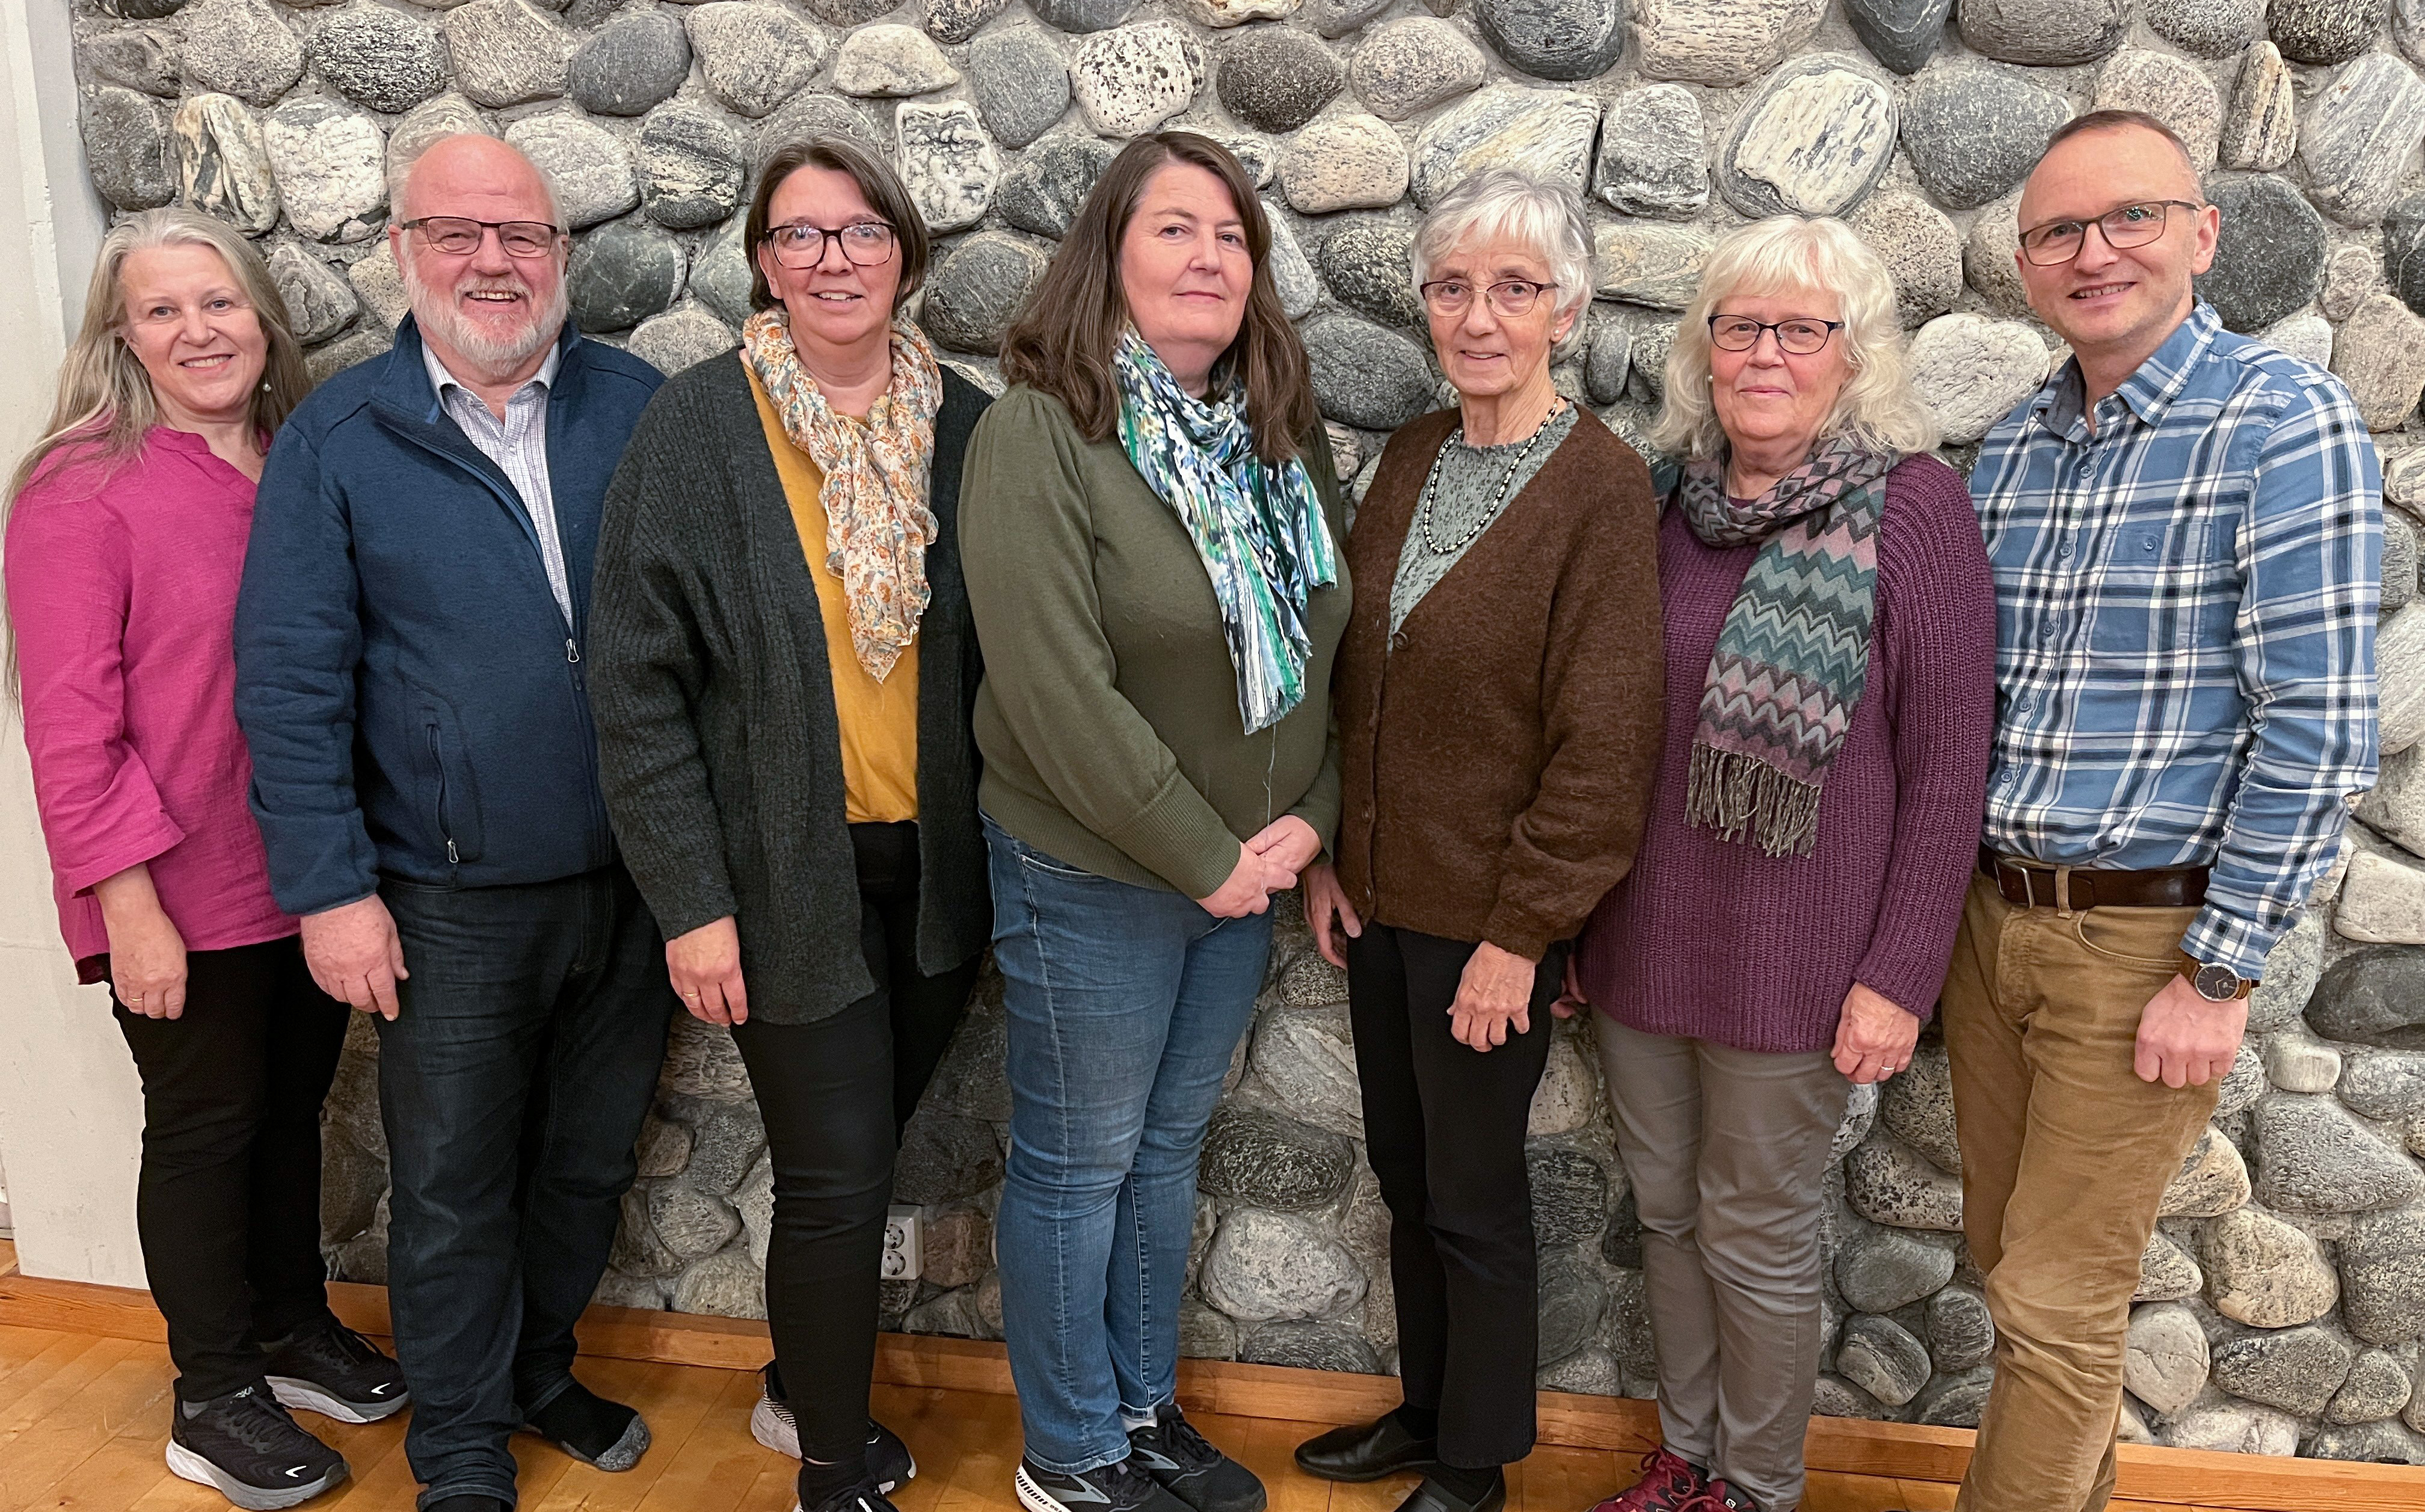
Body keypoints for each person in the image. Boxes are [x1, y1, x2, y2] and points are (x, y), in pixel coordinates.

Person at [1944, 110, 2380, 1512]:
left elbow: (2316, 729)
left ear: (2202, 232)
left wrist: (2223, 963)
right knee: (2011, 1270)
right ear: (2024, 265)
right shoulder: (2009, 450)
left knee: (2058, 1303)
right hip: (1988, 924)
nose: (2094, 251)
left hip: (2143, 946)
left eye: (2129, 216)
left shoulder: (2281, 421)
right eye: (2058, 230)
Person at [233, 135, 671, 1512]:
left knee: (590, 1161)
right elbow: (290, 682)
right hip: (445, 899)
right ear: (405, 254)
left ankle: (538, 1371)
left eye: (522, 236)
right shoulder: (339, 440)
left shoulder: (641, 407)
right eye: (459, 233)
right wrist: (329, 890)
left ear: (560, 256)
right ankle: (462, 1442)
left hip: (640, 882)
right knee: (451, 1187)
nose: (494, 261)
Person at [1569, 217, 1996, 1512]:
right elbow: (1609, 732)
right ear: (1705, 351)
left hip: (1799, 970)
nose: (1765, 353)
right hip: (1644, 947)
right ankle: (1687, 1455)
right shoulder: (1662, 508)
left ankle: (1755, 1487)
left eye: (1802, 329)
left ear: (1850, 355)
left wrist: (1899, 978)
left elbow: (1947, 767)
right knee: (1669, 1223)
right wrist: (1575, 926)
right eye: (1739, 326)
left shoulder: (1911, 510)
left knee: (1755, 1239)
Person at [589, 137, 992, 1512]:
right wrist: (692, 906)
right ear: (763, 259)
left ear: (905, 255)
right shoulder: (699, 428)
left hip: (941, 883)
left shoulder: (971, 427)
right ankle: (832, 1464)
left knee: (862, 1151)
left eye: (863, 231)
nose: (835, 259)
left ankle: (793, 1385)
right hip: (777, 883)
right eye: (804, 235)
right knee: (836, 1175)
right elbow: (636, 686)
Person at [959, 131, 1347, 1512]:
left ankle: (1139, 1410)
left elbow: (1327, 658)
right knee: (1079, 1168)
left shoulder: (1276, 445)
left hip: (1243, 878)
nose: (1207, 257)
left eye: (1231, 236)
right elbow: (1057, 692)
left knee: (1166, 1155)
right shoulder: (1041, 433)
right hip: (1096, 876)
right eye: (1174, 229)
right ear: (1109, 256)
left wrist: (1310, 820)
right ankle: (1068, 1457)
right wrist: (1206, 860)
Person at [5, 207, 407, 1511]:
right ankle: (211, 1388)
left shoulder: (301, 459)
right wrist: (128, 907)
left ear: (261, 315)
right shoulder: (80, 489)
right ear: (123, 336)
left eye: (218, 303)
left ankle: (290, 1323)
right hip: (170, 887)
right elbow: (70, 722)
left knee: (290, 1117)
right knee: (205, 1127)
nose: (198, 331)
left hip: (302, 866)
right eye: (164, 310)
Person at [1290, 168, 1662, 1512]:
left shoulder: (1602, 492)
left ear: (1565, 307)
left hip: (1483, 926)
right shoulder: (1411, 456)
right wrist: (1334, 855)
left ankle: (1479, 1461)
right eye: (1453, 289)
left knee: (1474, 1198)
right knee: (1407, 1178)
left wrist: (1523, 936)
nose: (1480, 317)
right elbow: (1354, 676)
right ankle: (1430, 1406)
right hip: (1382, 903)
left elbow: (1605, 743)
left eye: (1514, 288)